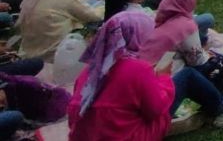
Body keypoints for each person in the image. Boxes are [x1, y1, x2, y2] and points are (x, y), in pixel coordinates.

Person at [68, 11, 174, 141]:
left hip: (83, 137)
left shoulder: (90, 69)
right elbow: (156, 110)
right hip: (117, 136)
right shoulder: (139, 69)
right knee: (162, 114)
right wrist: (164, 78)